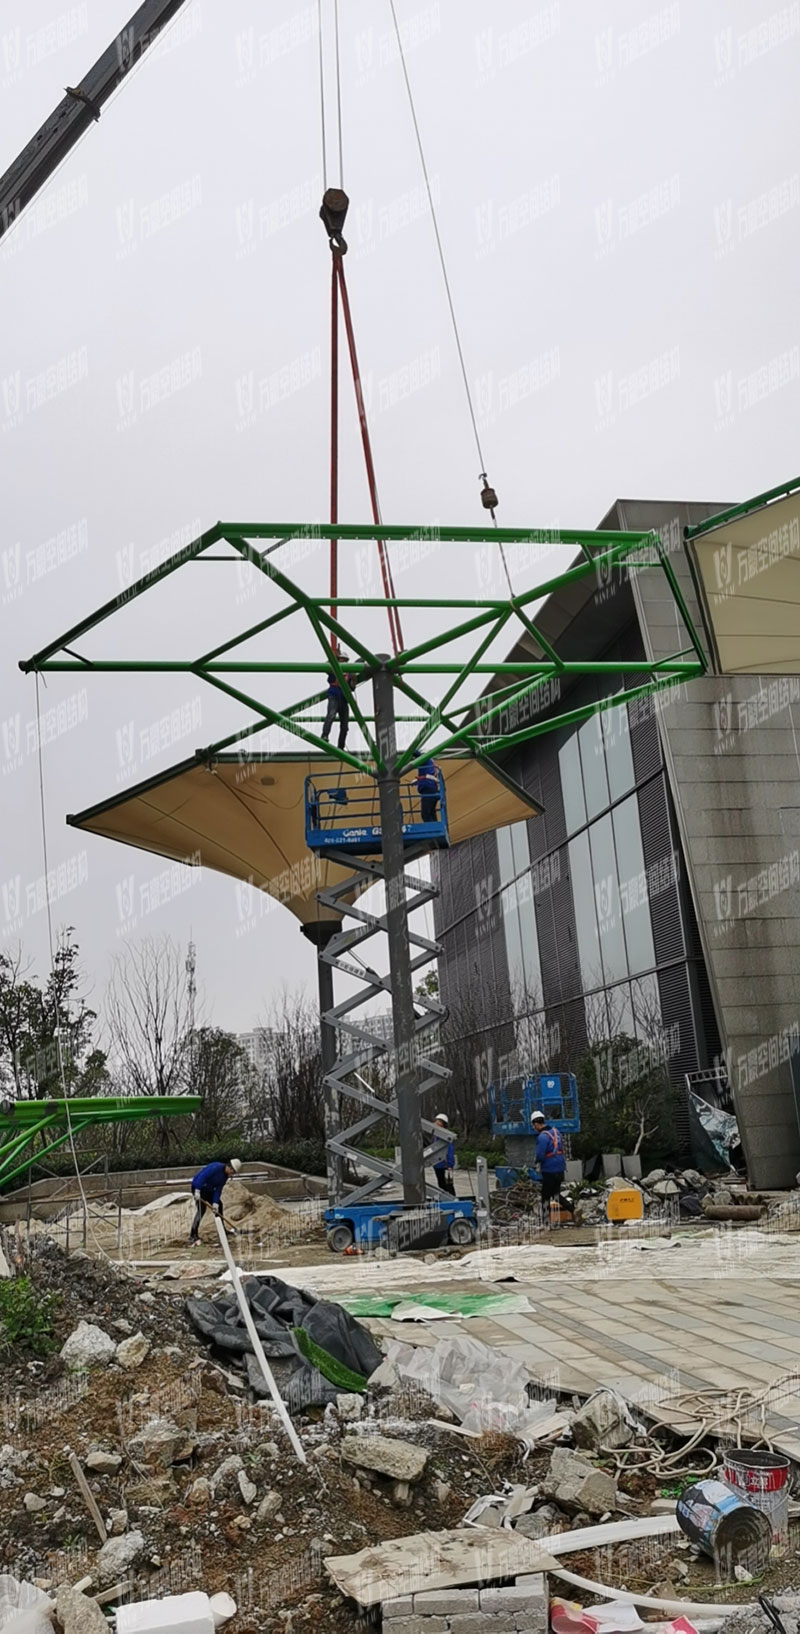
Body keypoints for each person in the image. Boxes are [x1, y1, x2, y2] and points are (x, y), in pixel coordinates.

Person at [530, 1111, 574, 1221]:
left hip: (549, 1170)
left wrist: (535, 1163)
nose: (534, 1127)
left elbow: (540, 1155)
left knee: (545, 1196)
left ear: (536, 1123)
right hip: (560, 1168)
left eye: (533, 1125)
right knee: (555, 1194)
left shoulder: (542, 1137)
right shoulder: (556, 1132)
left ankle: (545, 1221)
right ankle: (573, 1210)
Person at [188, 1157, 241, 1244]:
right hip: (199, 1188)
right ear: (229, 1167)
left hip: (209, 1190)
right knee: (201, 1210)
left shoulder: (225, 1177)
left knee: (219, 1205)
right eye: (232, 1172)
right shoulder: (215, 1167)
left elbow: (218, 1189)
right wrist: (197, 1190)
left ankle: (222, 1230)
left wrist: (215, 1202)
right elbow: (202, 1176)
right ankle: (193, 1234)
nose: (232, 1174)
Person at [321, 658, 358, 750]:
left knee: (345, 725)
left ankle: (341, 746)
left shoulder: (349, 673)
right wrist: (333, 657)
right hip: (334, 696)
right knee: (331, 715)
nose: (344, 662)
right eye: (342, 660)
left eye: (345, 660)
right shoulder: (334, 668)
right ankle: (325, 735)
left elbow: (352, 687)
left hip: (344, 699)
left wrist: (354, 680)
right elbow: (326, 667)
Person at [431, 1112, 456, 1195]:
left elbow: (450, 1150)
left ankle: (451, 1199)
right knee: (441, 1183)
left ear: (443, 1124)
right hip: (437, 1164)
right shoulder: (436, 1135)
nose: (436, 1123)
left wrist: (450, 1164)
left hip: (444, 1163)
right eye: (436, 1121)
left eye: (438, 1122)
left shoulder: (445, 1135)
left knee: (448, 1184)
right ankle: (446, 1199)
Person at [416, 758, 440, 823]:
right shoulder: (431, 763)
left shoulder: (425, 760)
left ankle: (432, 828)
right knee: (431, 812)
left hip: (427, 789)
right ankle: (435, 827)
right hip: (432, 788)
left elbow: (417, 754)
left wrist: (412, 751)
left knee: (425, 813)